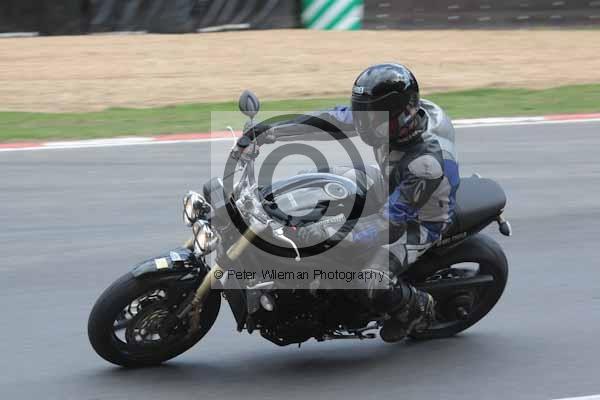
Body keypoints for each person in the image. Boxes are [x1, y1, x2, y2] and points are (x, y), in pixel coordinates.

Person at [246, 63, 460, 342]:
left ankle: (416, 309)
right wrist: (271, 130)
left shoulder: (426, 163)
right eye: (362, 114)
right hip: (388, 182)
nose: (363, 124)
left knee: (372, 281)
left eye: (371, 118)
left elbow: (391, 222)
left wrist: (331, 233)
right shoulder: (393, 119)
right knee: (315, 183)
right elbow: (332, 120)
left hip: (419, 219)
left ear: (402, 115)